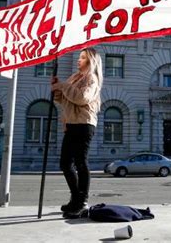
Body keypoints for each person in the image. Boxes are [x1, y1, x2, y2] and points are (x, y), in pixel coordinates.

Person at [51, 48, 103, 218]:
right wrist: (57, 90)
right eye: (79, 57)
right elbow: (65, 100)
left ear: (91, 61)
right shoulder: (74, 77)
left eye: (83, 58)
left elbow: (81, 98)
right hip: (71, 123)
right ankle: (75, 198)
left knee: (81, 161)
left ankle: (82, 202)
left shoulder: (92, 79)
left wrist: (63, 86)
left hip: (84, 123)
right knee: (65, 163)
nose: (78, 60)